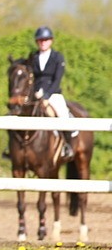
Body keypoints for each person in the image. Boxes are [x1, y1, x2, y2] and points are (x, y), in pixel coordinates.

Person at [28, 25, 78, 160]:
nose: (43, 42)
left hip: (53, 93)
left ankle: (67, 145)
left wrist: (47, 95)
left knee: (62, 114)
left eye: (45, 39)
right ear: (37, 42)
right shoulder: (33, 57)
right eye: (40, 40)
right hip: (35, 93)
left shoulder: (57, 57)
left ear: (51, 41)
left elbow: (57, 79)